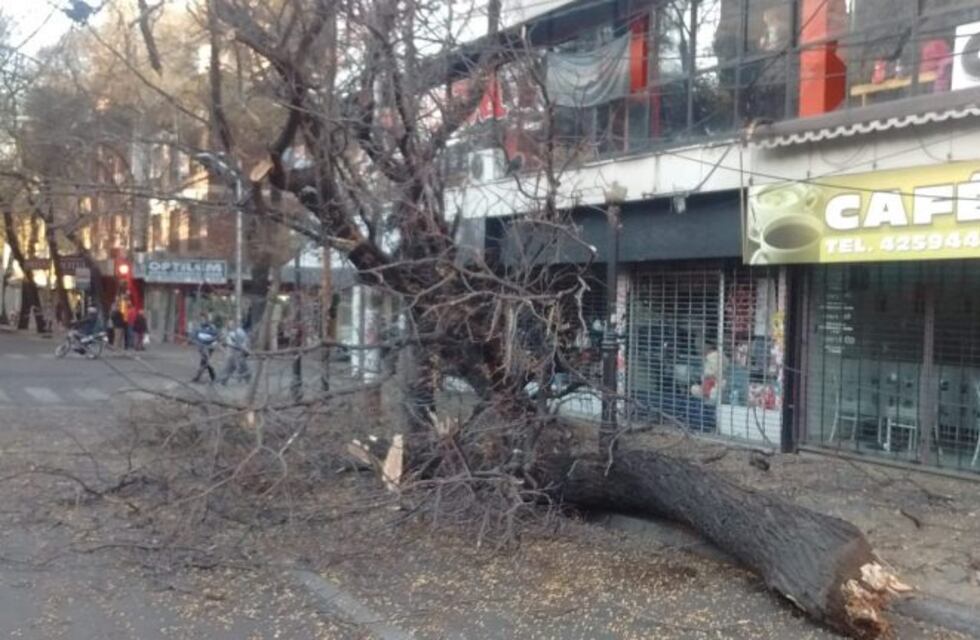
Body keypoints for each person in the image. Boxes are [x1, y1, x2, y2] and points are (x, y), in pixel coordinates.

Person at [219, 319, 251, 385]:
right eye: (230, 324)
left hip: (239, 351)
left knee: (241, 365)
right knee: (228, 366)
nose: (231, 325)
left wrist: (244, 348)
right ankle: (223, 380)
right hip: (230, 351)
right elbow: (223, 341)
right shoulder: (226, 332)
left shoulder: (240, 331)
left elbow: (245, 341)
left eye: (232, 324)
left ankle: (247, 377)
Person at [191, 313, 219, 383]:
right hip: (201, 347)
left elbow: (216, 336)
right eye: (201, 319)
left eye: (203, 319)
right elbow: (194, 336)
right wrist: (196, 341)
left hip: (209, 347)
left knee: (204, 361)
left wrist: (210, 341)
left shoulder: (212, 327)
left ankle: (199, 377)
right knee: (205, 362)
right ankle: (211, 376)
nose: (202, 320)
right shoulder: (198, 328)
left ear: (206, 319)